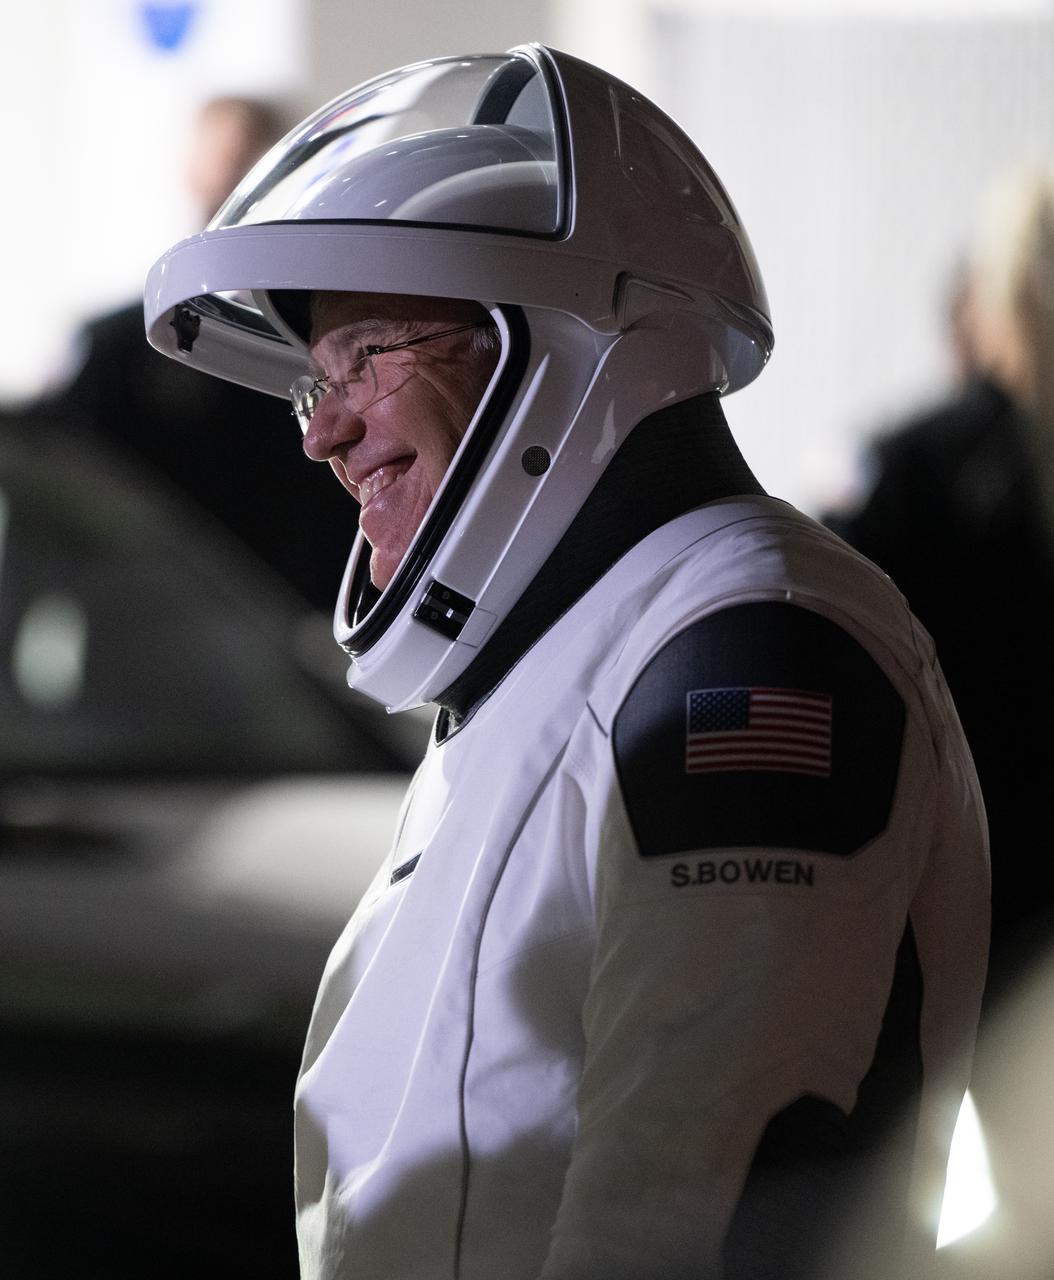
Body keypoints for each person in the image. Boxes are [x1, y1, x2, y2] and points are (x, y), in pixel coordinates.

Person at [142, 45, 989, 1280]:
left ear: (561, 340)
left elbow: (697, 1199)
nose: (323, 432)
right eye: (314, 383)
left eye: (372, 352)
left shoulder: (752, 641)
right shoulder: (584, 638)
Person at [41, 95, 356, 611]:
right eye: (220, 156)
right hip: (141, 613)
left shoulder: (324, 340)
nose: (231, 176)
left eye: (249, 158)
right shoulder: (123, 344)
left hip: (287, 622)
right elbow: (68, 472)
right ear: (191, 168)